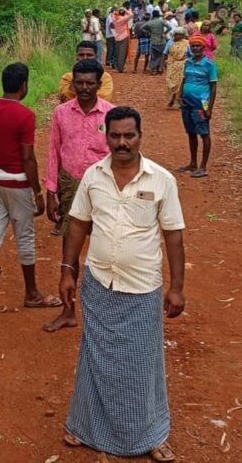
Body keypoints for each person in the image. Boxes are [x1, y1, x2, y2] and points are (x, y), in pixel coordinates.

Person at [61, 106, 185, 463]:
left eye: (129, 135)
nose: (122, 143)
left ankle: (152, 434)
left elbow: (173, 236)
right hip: (99, 283)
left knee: (142, 365)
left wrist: (176, 287)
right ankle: (83, 426)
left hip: (142, 288)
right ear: (107, 137)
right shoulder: (93, 176)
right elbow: (78, 224)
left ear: (140, 136)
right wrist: (67, 270)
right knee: (94, 359)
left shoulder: (161, 180)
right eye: (115, 136)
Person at [0, 63, 61, 321]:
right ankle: (31, 293)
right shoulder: (25, 115)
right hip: (17, 181)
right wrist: (38, 191)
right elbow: (28, 157)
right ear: (24, 86)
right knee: (25, 237)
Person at [43, 59, 116, 333]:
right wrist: (51, 190)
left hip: (104, 188)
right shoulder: (61, 113)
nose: (84, 88)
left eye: (90, 83)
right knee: (69, 250)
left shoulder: (111, 114)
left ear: (99, 84)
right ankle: (68, 311)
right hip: (69, 185)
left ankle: (105, 312)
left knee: (105, 249)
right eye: (79, 83)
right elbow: (53, 151)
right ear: (72, 83)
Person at [176, 35, 217, 179]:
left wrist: (210, 108)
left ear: (204, 47)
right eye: (193, 46)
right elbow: (184, 79)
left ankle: (203, 167)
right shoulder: (188, 62)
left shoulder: (209, 65)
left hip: (202, 104)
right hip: (187, 103)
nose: (195, 48)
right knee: (191, 133)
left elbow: (213, 87)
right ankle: (193, 163)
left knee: (204, 134)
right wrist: (179, 95)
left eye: (198, 46)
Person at [164, 27, 190, 109]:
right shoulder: (170, 42)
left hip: (183, 64)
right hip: (171, 64)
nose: (178, 36)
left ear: (183, 35)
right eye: (176, 34)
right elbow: (164, 53)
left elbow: (190, 54)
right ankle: (173, 97)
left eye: (180, 35)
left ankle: (178, 99)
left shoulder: (186, 43)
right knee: (171, 83)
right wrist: (162, 65)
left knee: (180, 82)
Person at [143, 10, 168, 75]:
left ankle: (153, 69)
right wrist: (164, 33)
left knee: (154, 56)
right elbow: (170, 27)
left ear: (153, 15)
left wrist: (149, 32)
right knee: (161, 55)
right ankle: (159, 69)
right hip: (161, 40)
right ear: (158, 15)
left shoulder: (150, 22)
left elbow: (142, 28)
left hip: (153, 40)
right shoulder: (161, 21)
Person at [110, 7, 133, 73]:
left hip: (117, 37)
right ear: (123, 14)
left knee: (118, 52)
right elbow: (131, 15)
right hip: (124, 37)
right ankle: (120, 68)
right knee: (123, 53)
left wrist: (116, 12)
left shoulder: (114, 18)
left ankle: (118, 66)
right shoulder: (123, 19)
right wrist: (125, 10)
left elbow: (112, 14)